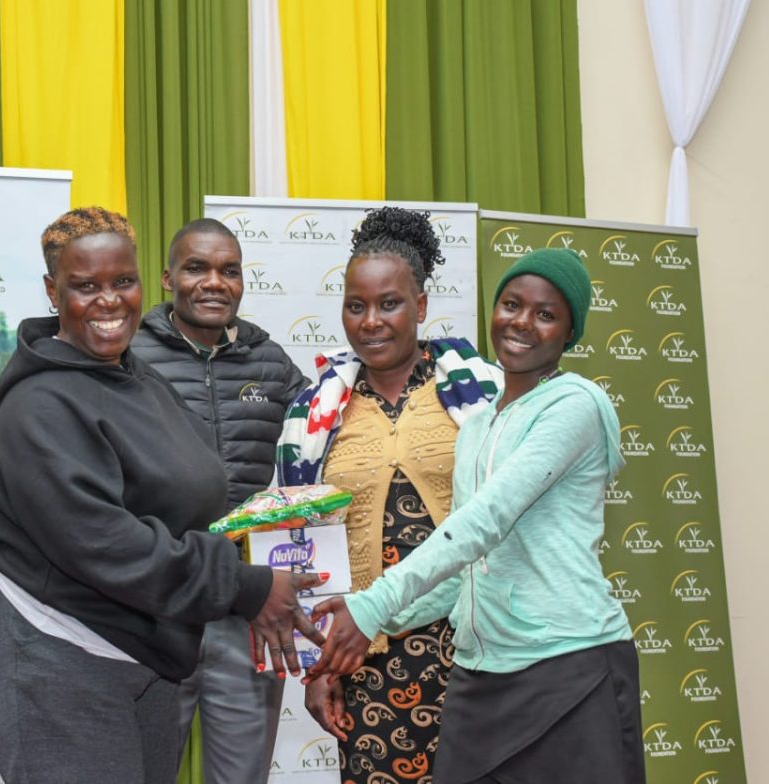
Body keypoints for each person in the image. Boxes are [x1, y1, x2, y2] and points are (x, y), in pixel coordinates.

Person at [0, 206, 324, 784]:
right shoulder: (39, 406)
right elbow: (105, 543)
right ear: (52, 292)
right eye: (86, 286)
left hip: (141, 647)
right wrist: (244, 585)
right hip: (54, 653)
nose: (109, 300)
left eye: (122, 281)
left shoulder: (134, 376)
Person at [307, 248, 645, 784]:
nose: (521, 322)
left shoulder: (575, 404)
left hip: (569, 664)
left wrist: (373, 605)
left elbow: (487, 519)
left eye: (545, 314)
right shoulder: (479, 425)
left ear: (569, 333)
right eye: (511, 305)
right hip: (481, 673)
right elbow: (464, 569)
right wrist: (366, 628)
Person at [276, 207, 500, 781]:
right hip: (368, 653)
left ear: (420, 307)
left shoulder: (482, 392)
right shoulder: (314, 412)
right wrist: (319, 666)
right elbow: (303, 547)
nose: (371, 321)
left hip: (483, 642)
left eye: (389, 304)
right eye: (356, 306)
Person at [131, 218, 307, 783]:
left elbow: (326, 441)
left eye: (229, 271)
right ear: (167, 279)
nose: (214, 282)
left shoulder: (271, 363)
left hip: (249, 611)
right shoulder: (128, 357)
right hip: (155, 612)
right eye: (196, 268)